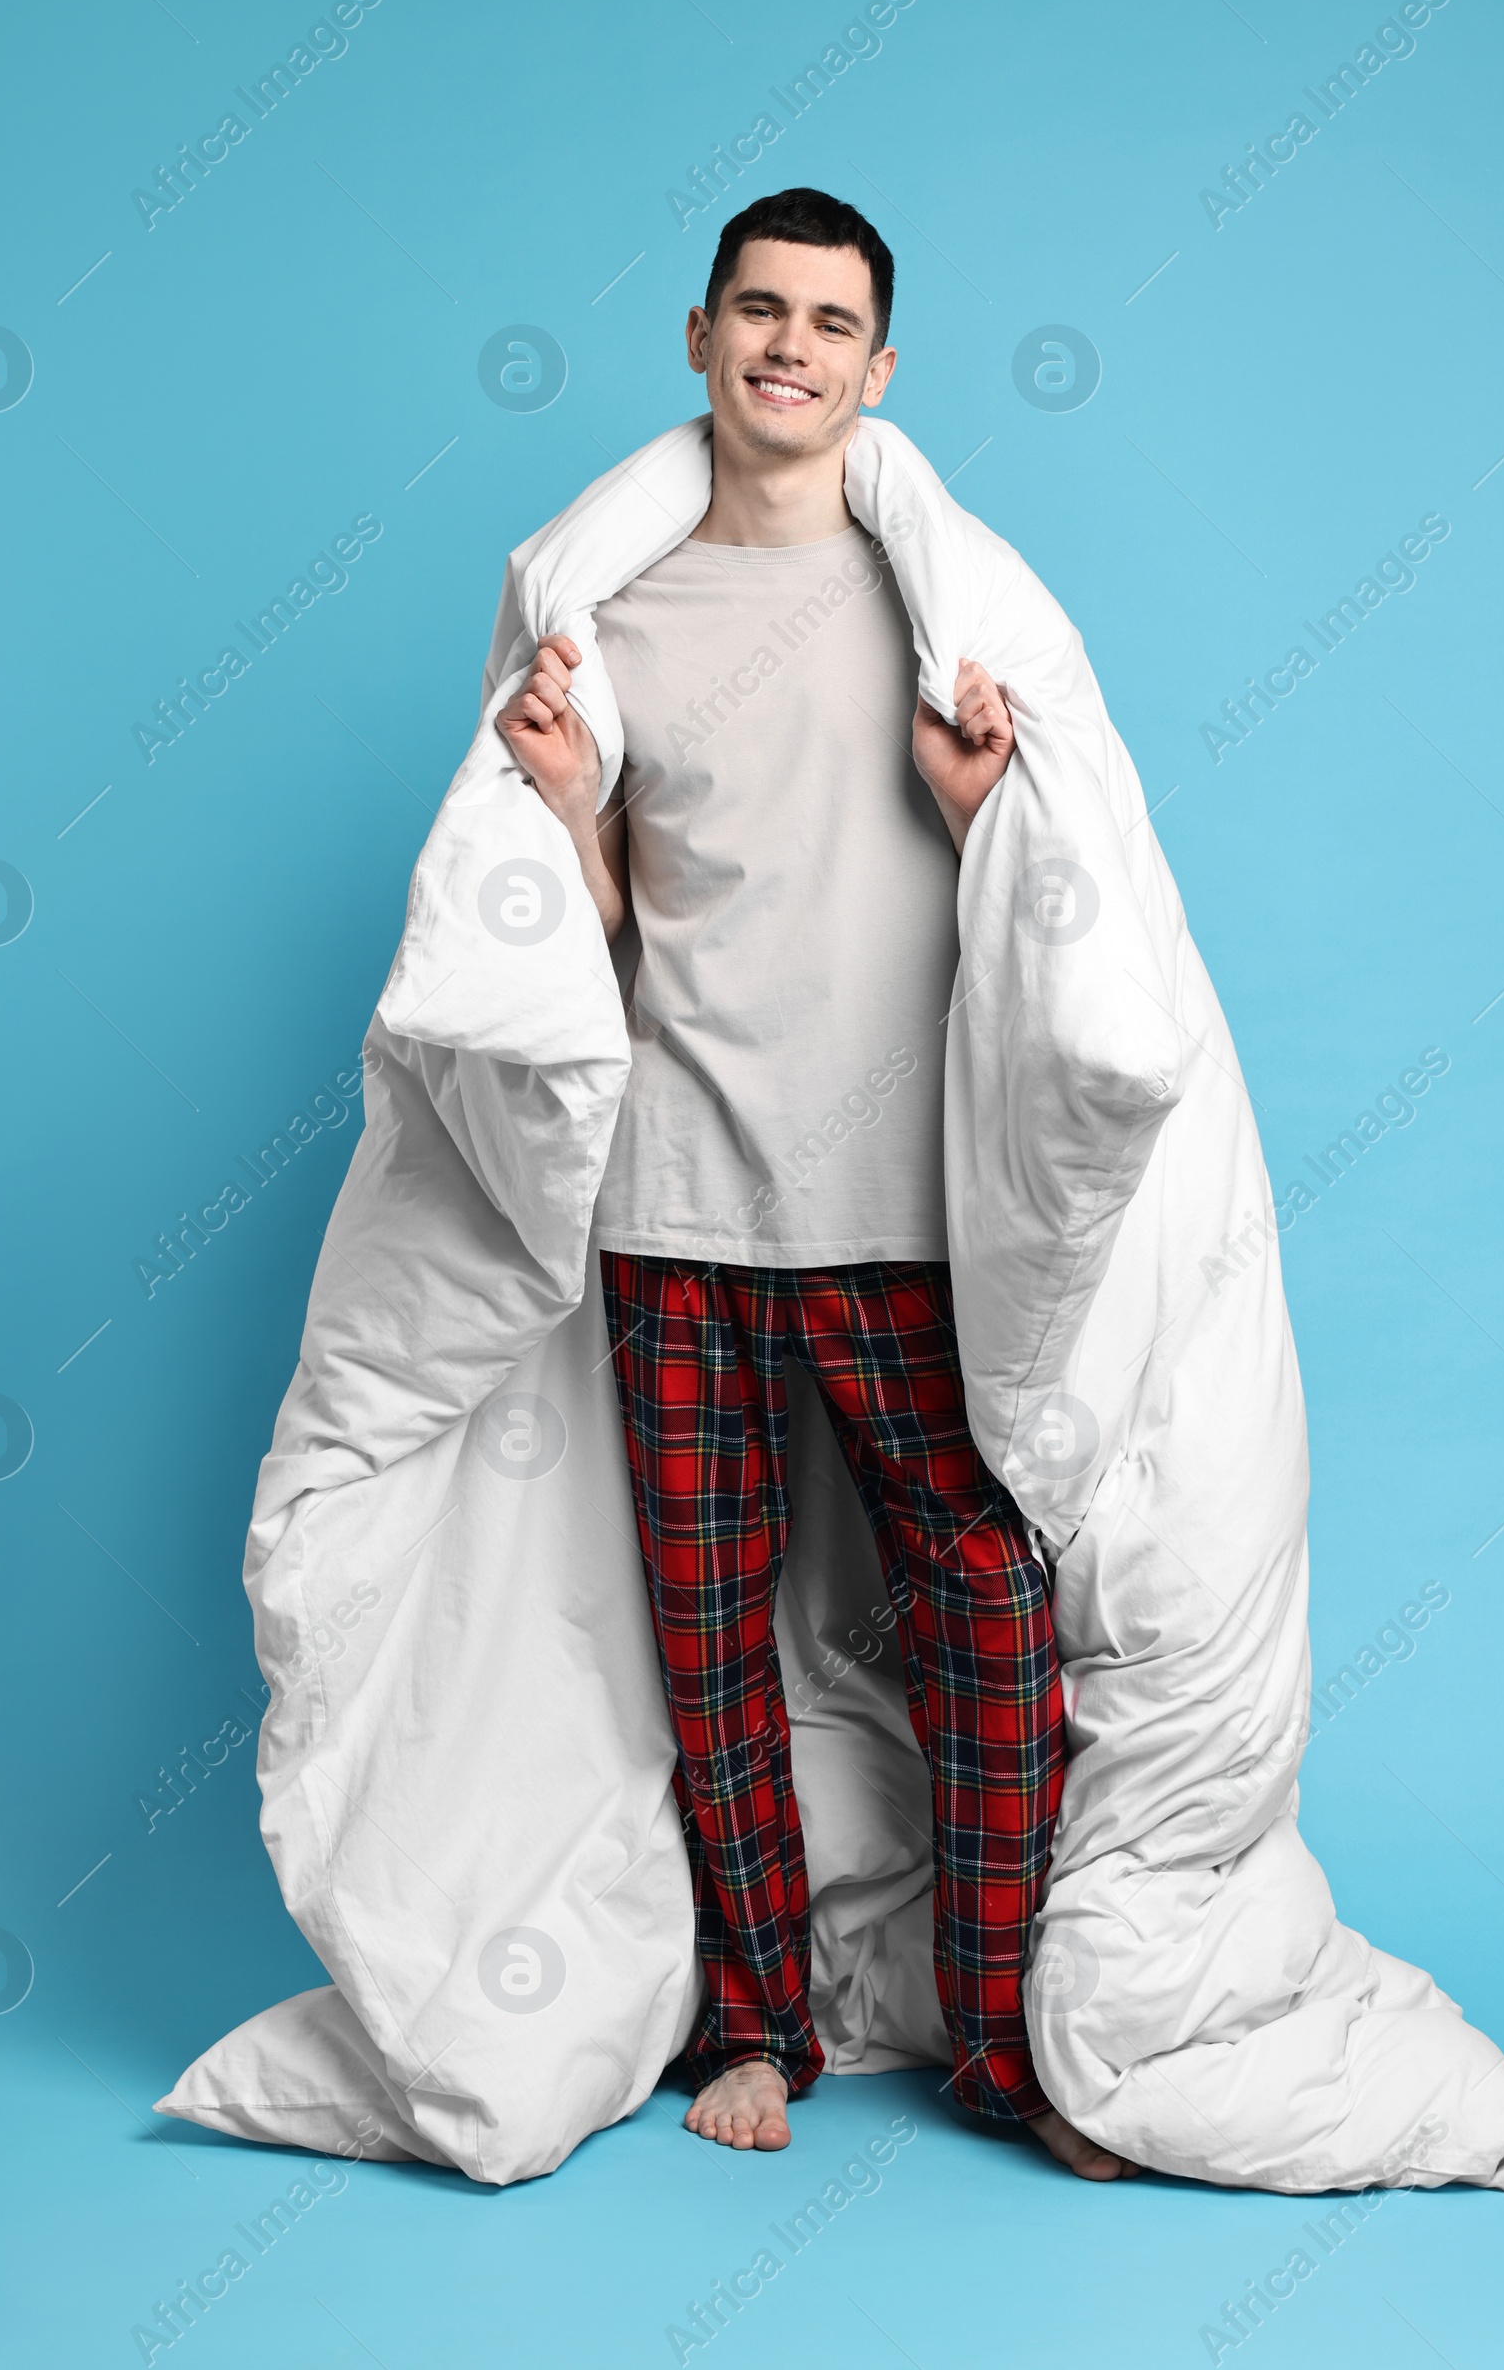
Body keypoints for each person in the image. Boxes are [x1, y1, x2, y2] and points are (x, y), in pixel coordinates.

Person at [495, 189, 1131, 2181]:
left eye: (828, 321)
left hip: (894, 1214)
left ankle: (1003, 2046)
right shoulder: (612, 611)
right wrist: (567, 818)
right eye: (755, 313)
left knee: (983, 1601)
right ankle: (754, 2018)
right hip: (674, 1205)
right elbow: (596, 943)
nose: (788, 346)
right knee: (708, 1641)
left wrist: (976, 820)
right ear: (696, 339)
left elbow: (1051, 913)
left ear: (876, 367)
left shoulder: (945, 603)